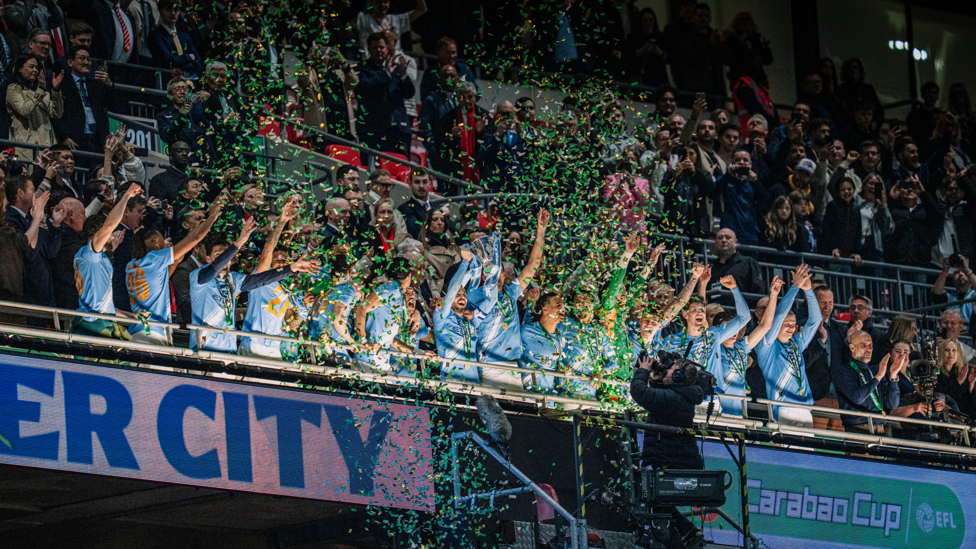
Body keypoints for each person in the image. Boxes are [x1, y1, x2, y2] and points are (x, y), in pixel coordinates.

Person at [630, 352, 706, 549]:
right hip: (669, 459)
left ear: (679, 376)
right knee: (658, 504)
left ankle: (684, 535)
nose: (666, 368)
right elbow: (659, 404)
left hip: (670, 461)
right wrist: (656, 381)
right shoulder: (680, 395)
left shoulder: (675, 397)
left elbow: (640, 393)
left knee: (655, 502)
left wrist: (642, 372)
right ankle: (688, 532)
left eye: (671, 367)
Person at [126, 197, 222, 345]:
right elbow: (193, 238)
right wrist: (212, 217)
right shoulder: (154, 258)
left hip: (138, 331)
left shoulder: (131, 266)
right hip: (152, 334)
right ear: (155, 241)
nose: (165, 243)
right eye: (162, 239)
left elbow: (176, 262)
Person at [470, 210, 549, 389]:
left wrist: (541, 230)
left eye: (498, 272)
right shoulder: (475, 295)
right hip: (489, 366)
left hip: (514, 365)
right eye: (489, 272)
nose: (495, 277)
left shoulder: (511, 291)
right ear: (483, 273)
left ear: (505, 275)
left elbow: (533, 264)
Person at [239, 199, 320, 358]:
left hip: (275, 347)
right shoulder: (261, 280)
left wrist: (304, 307)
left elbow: (292, 324)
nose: (282, 264)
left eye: (285, 261)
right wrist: (283, 222)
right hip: (254, 343)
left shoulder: (289, 290)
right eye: (277, 261)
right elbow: (268, 250)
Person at [754, 264, 821, 426]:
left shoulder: (796, 343)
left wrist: (808, 291)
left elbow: (816, 320)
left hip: (805, 407)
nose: (792, 328)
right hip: (783, 407)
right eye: (787, 324)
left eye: (793, 324)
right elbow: (778, 316)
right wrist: (794, 287)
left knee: (808, 452)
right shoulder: (765, 346)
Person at [72, 184, 142, 338]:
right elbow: (109, 225)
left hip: (103, 319)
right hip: (92, 323)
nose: (112, 235)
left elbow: (105, 305)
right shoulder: (88, 254)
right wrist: (126, 196)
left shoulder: (101, 257)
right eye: (109, 233)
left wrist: (131, 316)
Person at [710, 277, 783, 417]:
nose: (734, 333)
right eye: (728, 329)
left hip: (739, 411)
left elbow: (765, 326)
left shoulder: (741, 346)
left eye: (735, 329)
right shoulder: (712, 346)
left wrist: (773, 295)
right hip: (716, 411)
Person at [353, 256, 427, 373]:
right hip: (368, 359)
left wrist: (418, 353)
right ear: (409, 276)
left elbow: (390, 339)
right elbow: (360, 308)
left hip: (382, 360)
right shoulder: (389, 289)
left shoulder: (399, 295)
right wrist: (363, 341)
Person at [355, 32, 414, 158]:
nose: (378, 50)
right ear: (369, 49)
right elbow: (363, 88)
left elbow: (409, 94)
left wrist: (404, 76)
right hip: (373, 130)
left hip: (398, 129)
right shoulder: (361, 69)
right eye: (374, 48)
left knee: (401, 170)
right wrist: (385, 74)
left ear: (387, 48)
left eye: (381, 47)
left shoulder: (396, 68)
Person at [833, 331, 902, 434]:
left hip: (881, 429)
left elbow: (892, 404)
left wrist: (893, 377)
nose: (868, 349)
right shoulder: (843, 371)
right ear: (852, 348)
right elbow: (857, 397)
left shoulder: (875, 371)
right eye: (863, 345)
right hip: (858, 430)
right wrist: (878, 377)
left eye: (870, 346)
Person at [52, 45, 113, 156]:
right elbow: (56, 114)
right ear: (70, 62)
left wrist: (109, 85)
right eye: (82, 58)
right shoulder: (62, 84)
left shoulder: (96, 85)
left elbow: (111, 104)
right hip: (74, 141)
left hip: (97, 140)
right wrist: (64, 136)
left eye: (89, 59)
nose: (87, 62)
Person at [7, 54, 64, 159]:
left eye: (37, 67)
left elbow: (56, 114)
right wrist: (40, 91)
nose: (35, 70)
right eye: (31, 66)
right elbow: (24, 111)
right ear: (20, 69)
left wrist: (55, 91)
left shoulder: (43, 92)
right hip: (26, 145)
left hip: (46, 145)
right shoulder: (13, 89)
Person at [714, 151, 766, 246]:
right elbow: (713, 193)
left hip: (750, 235)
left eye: (745, 160)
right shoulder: (725, 180)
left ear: (750, 164)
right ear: (732, 162)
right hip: (729, 234)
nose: (741, 162)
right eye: (737, 160)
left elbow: (765, 200)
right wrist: (728, 176)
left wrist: (756, 182)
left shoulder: (754, 182)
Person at [148, 0, 203, 78]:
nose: (173, 13)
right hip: (166, 81)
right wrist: (189, 57)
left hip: (187, 81)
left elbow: (199, 61)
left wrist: (182, 65)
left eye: (176, 10)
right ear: (160, 11)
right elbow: (168, 61)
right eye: (168, 10)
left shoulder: (184, 36)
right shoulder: (155, 36)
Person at [710, 228, 765, 304]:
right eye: (720, 238)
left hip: (742, 313)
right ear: (716, 243)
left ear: (735, 242)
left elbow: (758, 291)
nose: (724, 240)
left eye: (728, 237)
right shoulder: (711, 267)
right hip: (716, 313)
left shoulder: (748, 263)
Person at [621, 7, 668, 87]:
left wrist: (659, 52)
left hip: (659, 80)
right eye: (645, 20)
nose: (648, 23)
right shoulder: (633, 38)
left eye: (650, 20)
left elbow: (671, 58)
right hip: (639, 81)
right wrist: (642, 50)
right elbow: (626, 56)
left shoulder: (661, 38)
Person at [398, 168, 433, 239]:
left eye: (424, 182)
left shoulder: (438, 207)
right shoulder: (404, 209)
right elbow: (417, 232)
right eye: (417, 182)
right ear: (410, 184)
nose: (421, 186)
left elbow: (455, 235)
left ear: (430, 184)